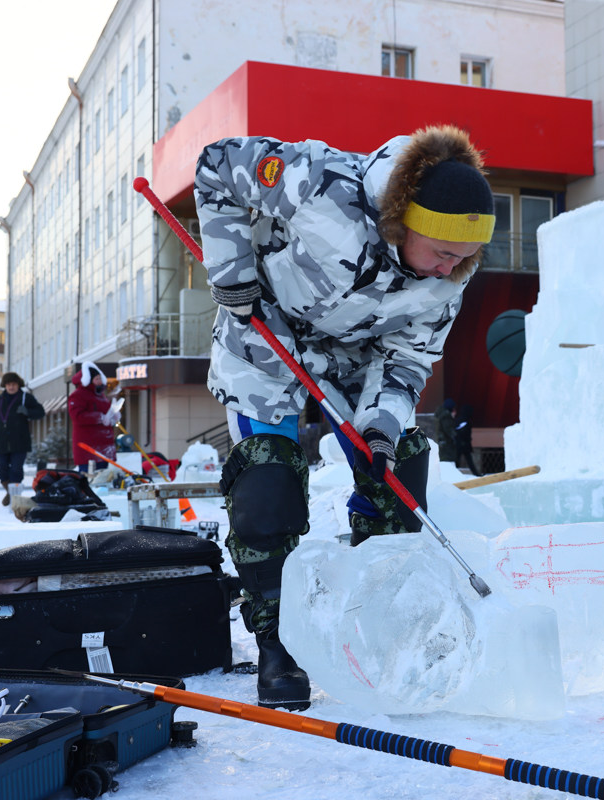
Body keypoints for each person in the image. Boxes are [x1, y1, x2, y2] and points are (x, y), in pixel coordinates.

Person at [194, 125, 494, 710]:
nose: (449, 270)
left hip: (354, 360)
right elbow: (218, 165)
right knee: (268, 477)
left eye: (464, 259)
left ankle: (382, 624)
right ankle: (279, 642)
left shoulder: (450, 277)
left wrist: (382, 424)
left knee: (396, 470)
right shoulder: (323, 185)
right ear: (403, 221)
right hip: (265, 333)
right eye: (441, 253)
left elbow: (408, 357)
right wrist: (232, 276)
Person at [0, 372, 45, 506]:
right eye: (8, 384)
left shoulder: (25, 398)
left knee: (16, 470)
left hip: (20, 442)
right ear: (5, 386)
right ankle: (11, 493)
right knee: (0, 469)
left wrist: (27, 411)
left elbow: (40, 412)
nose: (11, 387)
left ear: (18, 385)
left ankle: (15, 500)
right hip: (2, 442)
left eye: (14, 384)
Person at [67, 362, 120, 472]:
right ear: (89, 380)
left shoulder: (101, 396)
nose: (100, 381)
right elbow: (77, 416)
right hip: (88, 449)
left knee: (104, 481)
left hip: (105, 448)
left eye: (100, 378)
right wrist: (99, 418)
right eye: (97, 379)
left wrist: (114, 416)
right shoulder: (78, 395)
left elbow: (107, 415)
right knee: (90, 480)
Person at [454, 404, 482, 477]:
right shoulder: (464, 420)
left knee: (458, 460)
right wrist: (467, 440)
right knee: (466, 460)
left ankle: (453, 474)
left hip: (459, 444)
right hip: (463, 444)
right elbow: (463, 432)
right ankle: (476, 474)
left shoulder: (460, 420)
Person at [434, 398, 458, 465]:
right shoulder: (446, 416)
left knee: (443, 461)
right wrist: (455, 435)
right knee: (447, 461)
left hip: (441, 441)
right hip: (446, 443)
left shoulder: (439, 415)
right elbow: (448, 429)